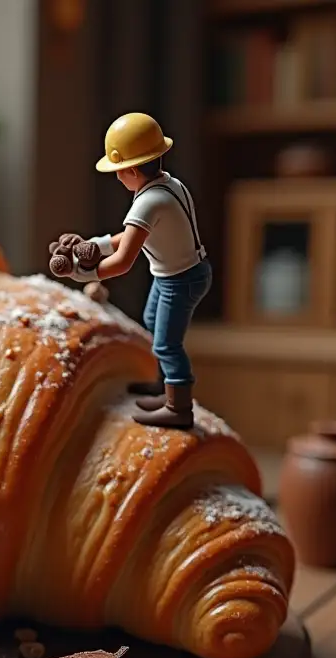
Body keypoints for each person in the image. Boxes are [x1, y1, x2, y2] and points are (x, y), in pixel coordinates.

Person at [50, 112, 211, 431]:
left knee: (167, 343)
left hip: (181, 280)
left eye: (118, 172)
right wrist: (94, 246)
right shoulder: (168, 186)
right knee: (154, 323)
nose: (117, 178)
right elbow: (132, 237)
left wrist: (83, 273)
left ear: (131, 170)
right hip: (178, 274)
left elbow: (124, 260)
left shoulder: (147, 203)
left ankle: (179, 407)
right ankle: (165, 388)